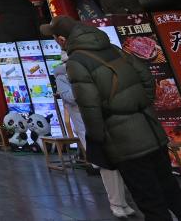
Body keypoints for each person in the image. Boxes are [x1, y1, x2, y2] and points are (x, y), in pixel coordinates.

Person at [41, 16, 181, 221]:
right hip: (151, 129)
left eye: (55, 38)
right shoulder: (113, 49)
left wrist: (98, 139)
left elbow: (90, 107)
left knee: (150, 201)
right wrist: (138, 104)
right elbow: (147, 78)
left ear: (62, 39)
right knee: (172, 191)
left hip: (124, 141)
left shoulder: (77, 62)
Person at [52, 50, 135, 218]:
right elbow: (69, 97)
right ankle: (117, 203)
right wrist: (89, 91)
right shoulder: (62, 75)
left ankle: (124, 202)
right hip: (87, 124)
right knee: (106, 163)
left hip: (108, 120)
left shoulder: (94, 70)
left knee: (119, 161)